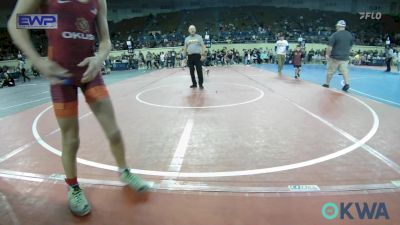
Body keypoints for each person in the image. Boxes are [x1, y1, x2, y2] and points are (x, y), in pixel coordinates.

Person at [8, 0, 152, 217]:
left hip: (91, 74)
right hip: (61, 77)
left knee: (113, 131)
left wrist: (100, 58)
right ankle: (73, 187)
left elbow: (105, 41)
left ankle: (125, 172)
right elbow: (16, 23)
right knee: (71, 139)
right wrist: (37, 61)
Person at [322, 20, 354, 92]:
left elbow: (329, 47)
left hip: (335, 57)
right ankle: (347, 83)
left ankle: (327, 83)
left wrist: (327, 55)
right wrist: (347, 53)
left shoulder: (335, 35)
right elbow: (351, 46)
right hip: (345, 58)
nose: (336, 27)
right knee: (345, 71)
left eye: (336, 26)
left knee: (330, 71)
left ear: (339, 26)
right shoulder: (350, 35)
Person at [184, 25, 206, 89]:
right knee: (191, 71)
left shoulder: (199, 37)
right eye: (191, 29)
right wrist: (184, 58)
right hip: (189, 56)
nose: (192, 30)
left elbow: (203, 46)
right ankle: (194, 84)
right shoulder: (186, 39)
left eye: (193, 29)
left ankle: (201, 84)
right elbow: (185, 48)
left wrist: (203, 55)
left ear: (195, 30)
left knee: (199, 70)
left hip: (198, 56)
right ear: (188, 30)